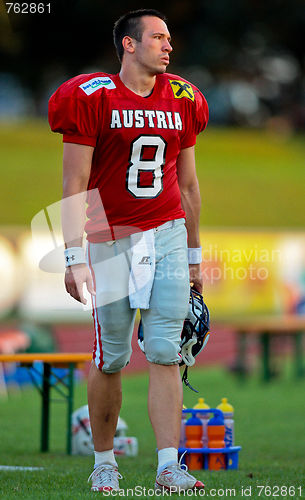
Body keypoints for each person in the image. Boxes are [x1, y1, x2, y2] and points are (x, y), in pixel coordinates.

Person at [48, 8, 208, 493]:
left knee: (165, 350)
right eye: (158, 37)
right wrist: (72, 257)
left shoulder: (182, 98)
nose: (169, 45)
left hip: (167, 233)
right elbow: (75, 181)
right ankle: (104, 462)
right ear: (129, 45)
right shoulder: (92, 96)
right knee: (112, 355)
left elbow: (189, 184)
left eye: (169, 37)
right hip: (110, 237)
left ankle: (167, 466)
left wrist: (196, 253)